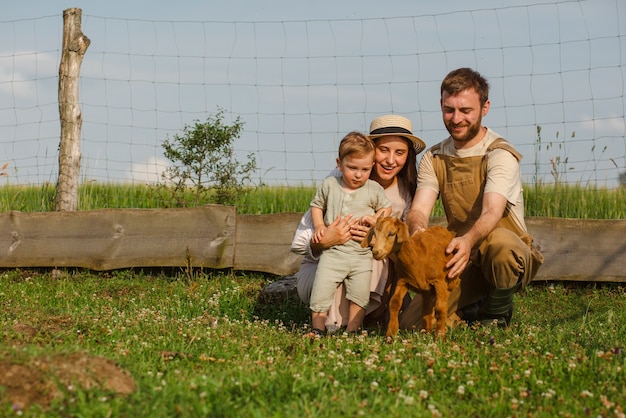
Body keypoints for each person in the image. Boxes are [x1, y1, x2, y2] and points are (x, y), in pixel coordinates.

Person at [402, 67, 544, 330]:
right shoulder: (433, 158)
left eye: (465, 110)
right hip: (459, 254)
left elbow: (492, 211)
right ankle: (472, 310)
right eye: (449, 109)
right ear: (441, 105)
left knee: (501, 244)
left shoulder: (499, 153)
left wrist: (468, 240)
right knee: (413, 325)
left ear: (485, 107)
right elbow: (419, 209)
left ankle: (497, 310)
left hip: (498, 250)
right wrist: (419, 232)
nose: (456, 119)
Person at [291, 115, 426, 333]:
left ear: (407, 156)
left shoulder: (405, 194)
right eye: (384, 150)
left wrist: (378, 237)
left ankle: (352, 325)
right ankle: (331, 324)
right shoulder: (339, 180)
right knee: (334, 269)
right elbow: (299, 243)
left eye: (399, 152)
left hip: (367, 267)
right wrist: (325, 239)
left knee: (373, 256)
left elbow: (404, 252)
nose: (391, 160)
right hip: (323, 264)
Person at [308, 131, 392, 334]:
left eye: (364, 169)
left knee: (360, 294)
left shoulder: (373, 188)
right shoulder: (331, 185)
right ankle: (317, 329)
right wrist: (320, 227)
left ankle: (353, 329)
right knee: (321, 290)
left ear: (372, 166)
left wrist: (376, 219)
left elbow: (386, 208)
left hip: (360, 256)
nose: (358, 174)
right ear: (339, 164)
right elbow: (316, 206)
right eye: (352, 168)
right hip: (333, 254)